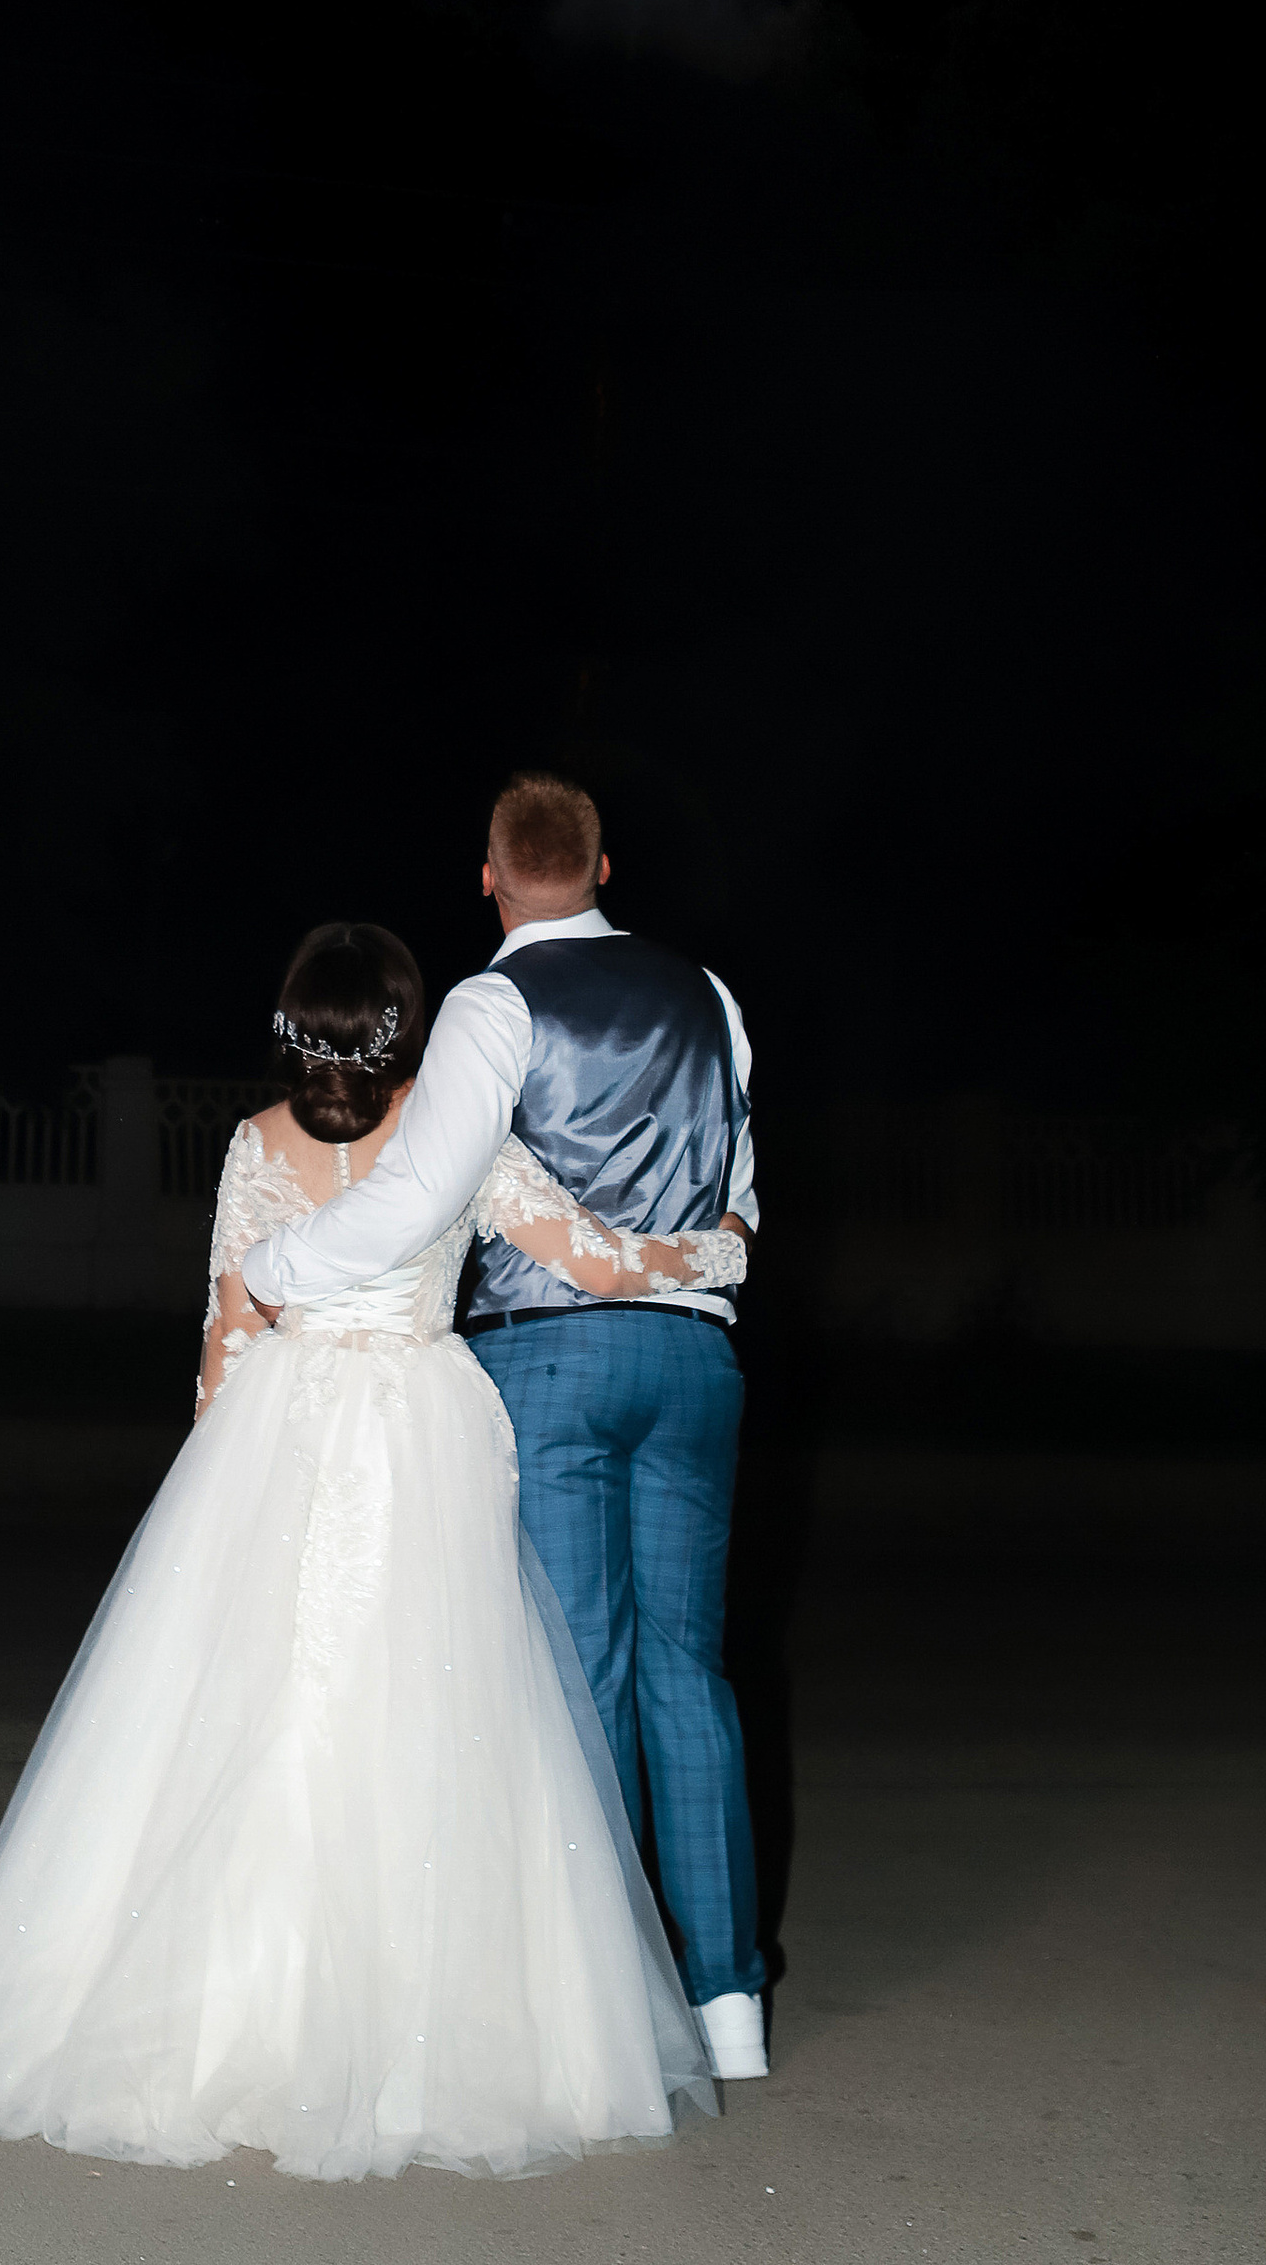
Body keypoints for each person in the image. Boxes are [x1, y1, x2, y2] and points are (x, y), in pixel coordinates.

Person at [0, 917, 742, 2180]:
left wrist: (209, 1492)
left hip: (283, 1431)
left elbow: (226, 1325)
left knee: (259, 1698)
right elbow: (593, 1261)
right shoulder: (457, 1148)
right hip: (419, 1426)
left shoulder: (250, 1146)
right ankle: (423, 2032)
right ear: (408, 1035)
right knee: (426, 1710)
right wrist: (717, 1250)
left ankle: (231, 2011)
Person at [239, 775, 769, 2081]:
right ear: (603, 866)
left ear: (491, 875)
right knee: (690, 1680)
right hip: (697, 1357)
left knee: (580, 1681)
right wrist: (692, 1267)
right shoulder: (712, 996)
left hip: (554, 1359)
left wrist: (280, 1261)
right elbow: (746, 1202)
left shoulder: (493, 1002)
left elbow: (424, 1191)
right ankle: (729, 2010)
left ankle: (603, 2019)